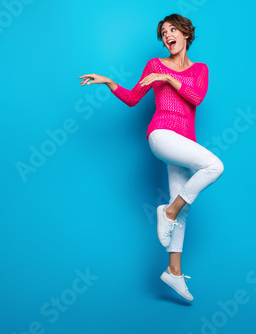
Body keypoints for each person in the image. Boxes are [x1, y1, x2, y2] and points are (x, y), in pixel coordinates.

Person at [78, 13, 224, 302]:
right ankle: (167, 212)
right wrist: (109, 82)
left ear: (185, 35)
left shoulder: (200, 69)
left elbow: (196, 97)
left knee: (182, 206)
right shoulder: (155, 65)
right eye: (163, 32)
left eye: (172, 30)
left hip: (185, 142)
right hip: (162, 135)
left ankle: (174, 272)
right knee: (214, 166)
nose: (167, 35)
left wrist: (169, 78)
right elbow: (134, 98)